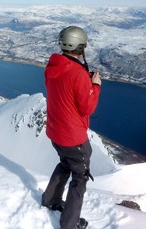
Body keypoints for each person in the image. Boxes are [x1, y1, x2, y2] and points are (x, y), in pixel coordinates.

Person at [41, 26, 101, 229]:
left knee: (65, 164)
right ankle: (69, 224)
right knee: (80, 178)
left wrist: (85, 79)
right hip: (73, 138)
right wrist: (95, 86)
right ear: (81, 46)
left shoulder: (52, 67)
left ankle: (50, 200)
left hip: (55, 132)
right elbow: (87, 107)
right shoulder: (78, 74)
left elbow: (63, 88)